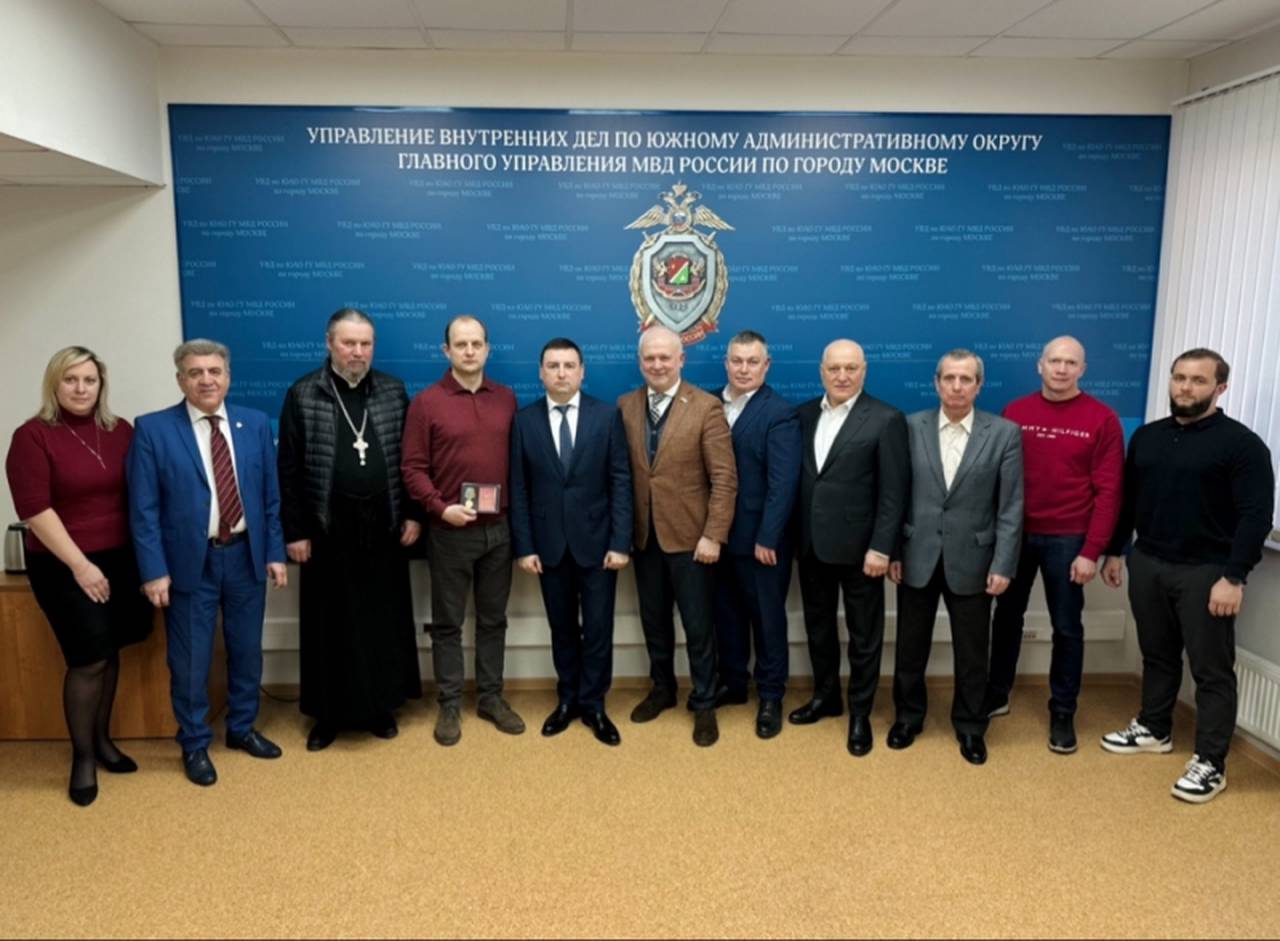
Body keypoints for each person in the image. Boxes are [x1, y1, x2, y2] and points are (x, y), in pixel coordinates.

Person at [1099, 348, 1274, 804]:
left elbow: (1256, 517)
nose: (1185, 387)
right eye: (1179, 378)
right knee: (1157, 655)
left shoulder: (1243, 445)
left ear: (1220, 388)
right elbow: (1129, 500)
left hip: (1207, 572)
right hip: (1148, 561)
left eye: (1198, 380)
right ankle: (1155, 728)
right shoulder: (1148, 437)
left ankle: (1211, 763)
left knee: (1211, 670)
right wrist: (1116, 551)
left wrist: (1234, 577)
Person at [128, 339, 288, 787]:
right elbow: (143, 510)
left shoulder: (254, 424)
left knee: (246, 651)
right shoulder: (153, 429)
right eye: (195, 372)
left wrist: (275, 553)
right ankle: (195, 742)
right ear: (180, 379)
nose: (206, 380)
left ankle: (241, 728)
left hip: (245, 557)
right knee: (191, 661)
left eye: (214, 371)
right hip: (188, 565)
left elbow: (270, 498)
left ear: (228, 377)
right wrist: (153, 571)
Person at [5, 347, 152, 806]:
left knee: (111, 649)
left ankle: (104, 742)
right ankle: (83, 757)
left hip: (121, 557)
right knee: (88, 657)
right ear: (54, 383)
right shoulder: (32, 436)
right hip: (63, 563)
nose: (81, 388)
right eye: (71, 379)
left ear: (100, 385)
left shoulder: (120, 430)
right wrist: (81, 566)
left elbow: (140, 491)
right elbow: (34, 510)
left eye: (89, 380)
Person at [277, 308, 423, 752]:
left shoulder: (393, 391)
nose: (358, 352)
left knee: (381, 620)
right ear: (329, 343)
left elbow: (411, 461)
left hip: (383, 526)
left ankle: (381, 706)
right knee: (330, 625)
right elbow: (289, 468)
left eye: (365, 344)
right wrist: (295, 531)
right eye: (348, 343)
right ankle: (328, 715)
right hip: (327, 529)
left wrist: (413, 513)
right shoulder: (304, 393)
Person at [986, 336, 1124, 754]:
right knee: (1005, 618)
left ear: (1083, 369)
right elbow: (998, 480)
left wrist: (1091, 551)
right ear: (1040, 365)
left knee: (1066, 627)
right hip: (1016, 535)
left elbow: (1110, 491)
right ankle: (997, 693)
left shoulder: (1102, 419)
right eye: (1055, 361)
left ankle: (1063, 710)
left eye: (1071, 362)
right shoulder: (1015, 412)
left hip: (1069, 539)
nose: (1062, 369)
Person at [889, 349, 1023, 766]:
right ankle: (908, 718)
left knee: (972, 652)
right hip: (917, 554)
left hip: (975, 560)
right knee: (910, 647)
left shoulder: (1004, 433)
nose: (957, 386)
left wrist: (1003, 564)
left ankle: (970, 726)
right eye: (949, 378)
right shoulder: (909, 426)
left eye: (966, 379)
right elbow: (895, 495)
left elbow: (1010, 506)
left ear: (979, 386)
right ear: (936, 383)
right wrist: (894, 550)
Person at [402, 315, 524, 746]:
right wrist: (440, 508)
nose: (469, 351)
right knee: (448, 624)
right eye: (460, 344)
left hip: (500, 532)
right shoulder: (426, 403)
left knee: (493, 620)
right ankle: (450, 704)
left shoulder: (507, 398)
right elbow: (412, 469)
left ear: (487, 349)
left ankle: (491, 697)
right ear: (446, 351)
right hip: (449, 531)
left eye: (476, 344)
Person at [509, 338, 633, 746]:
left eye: (568, 365)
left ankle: (594, 704)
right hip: (548, 547)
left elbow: (620, 481)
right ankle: (567, 700)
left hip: (598, 546)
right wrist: (525, 546)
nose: (561, 373)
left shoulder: (607, 416)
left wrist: (620, 542)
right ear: (541, 372)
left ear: (582, 371)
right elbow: (519, 489)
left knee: (597, 628)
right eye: (553, 366)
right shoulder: (524, 421)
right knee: (562, 628)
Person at [618, 326, 737, 747]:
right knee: (654, 622)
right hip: (644, 539)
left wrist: (713, 535)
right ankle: (663, 689)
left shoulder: (706, 407)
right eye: (650, 358)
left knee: (699, 626)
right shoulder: (625, 406)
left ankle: (704, 701)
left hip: (692, 541)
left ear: (681, 360)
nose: (657, 365)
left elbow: (724, 479)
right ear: (640, 362)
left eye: (665, 357)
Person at [792, 339, 909, 757]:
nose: (842, 376)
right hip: (811, 545)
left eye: (851, 368)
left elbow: (894, 494)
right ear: (821, 371)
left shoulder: (886, 418)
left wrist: (882, 548)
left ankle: (860, 712)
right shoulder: (803, 414)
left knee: (864, 636)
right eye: (834, 368)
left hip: (863, 553)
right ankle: (826, 697)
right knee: (819, 628)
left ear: (864, 370)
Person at [711, 330, 802, 739]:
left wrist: (768, 536)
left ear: (767, 366)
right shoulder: (709, 403)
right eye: (737, 361)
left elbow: (783, 484)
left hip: (762, 541)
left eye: (752, 362)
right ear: (726, 363)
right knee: (726, 615)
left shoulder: (779, 413)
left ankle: (770, 695)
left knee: (767, 621)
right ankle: (733, 683)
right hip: (718, 538)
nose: (744, 369)